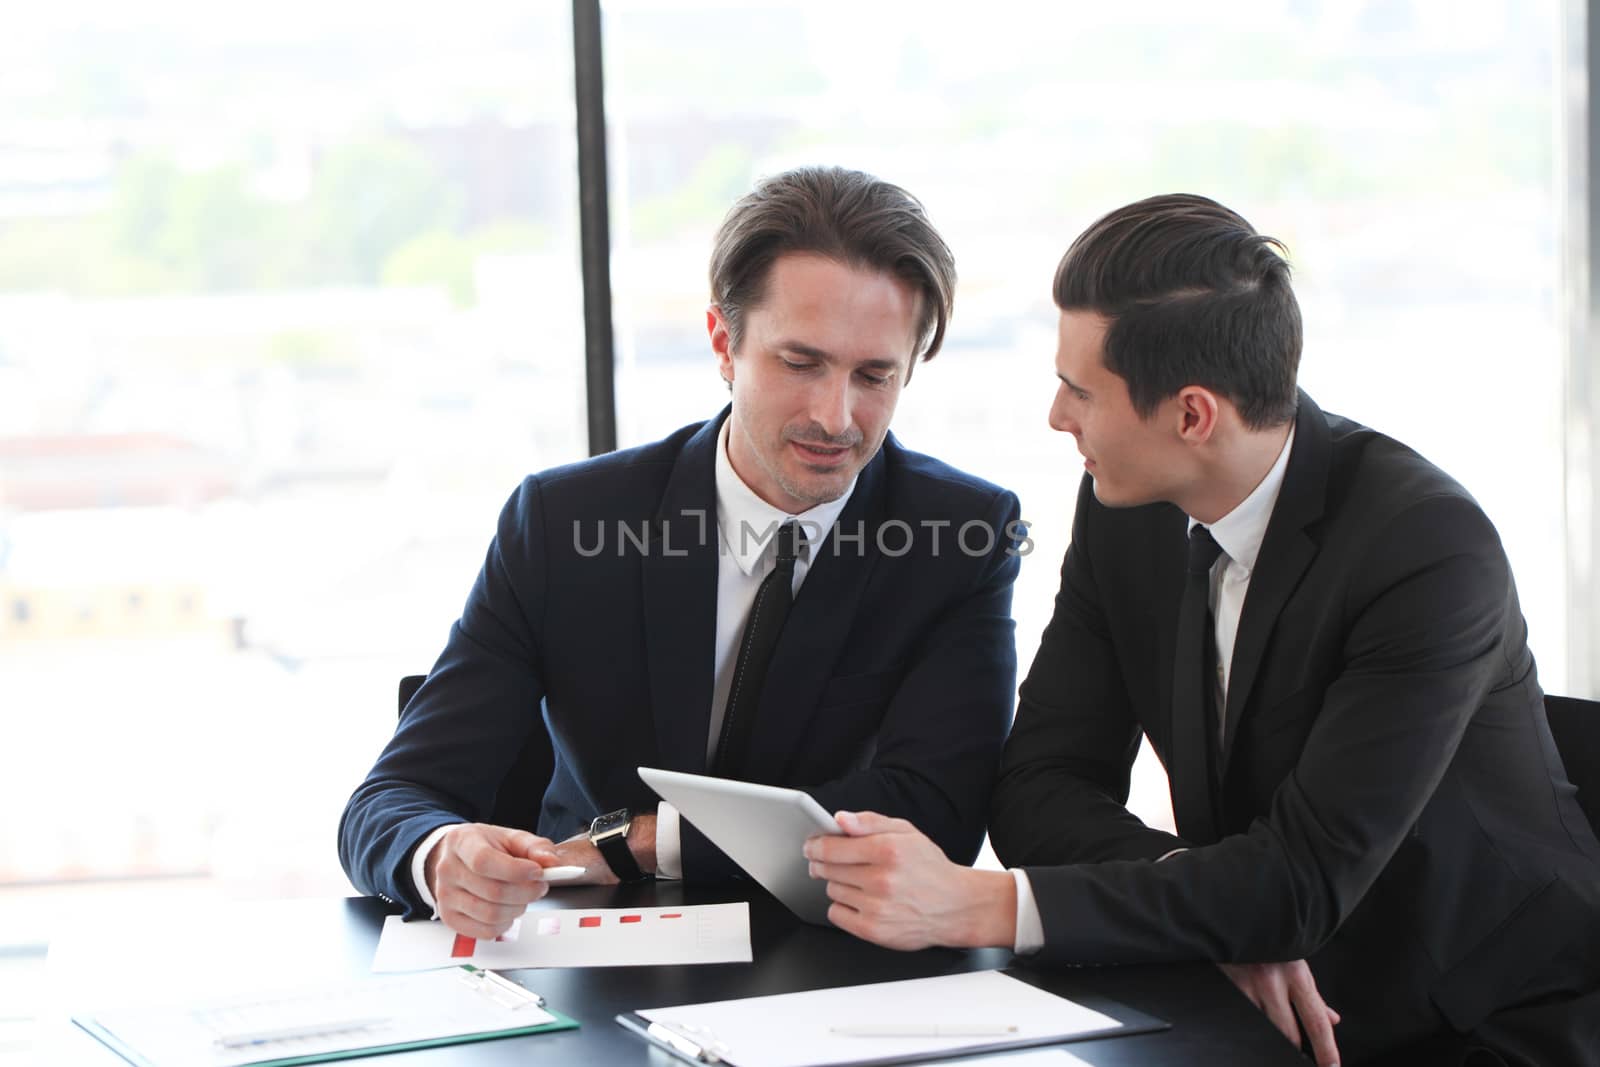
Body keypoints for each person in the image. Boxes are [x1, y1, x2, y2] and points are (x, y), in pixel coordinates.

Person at [803, 194, 1600, 1066]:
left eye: (1079, 390)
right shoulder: (1125, 508)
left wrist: (982, 904)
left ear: (1192, 415)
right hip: (1254, 992)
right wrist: (1220, 908)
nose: (1056, 417)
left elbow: (1300, 881)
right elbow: (1036, 783)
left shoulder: (1427, 550)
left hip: (1485, 1018)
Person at [338, 165, 1024, 948]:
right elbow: (390, 800)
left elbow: (936, 811)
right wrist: (440, 855)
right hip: (585, 952)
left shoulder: (962, 534)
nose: (836, 417)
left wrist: (640, 840)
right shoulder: (566, 521)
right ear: (723, 343)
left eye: (875, 375)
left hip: (829, 963)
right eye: (800, 363)